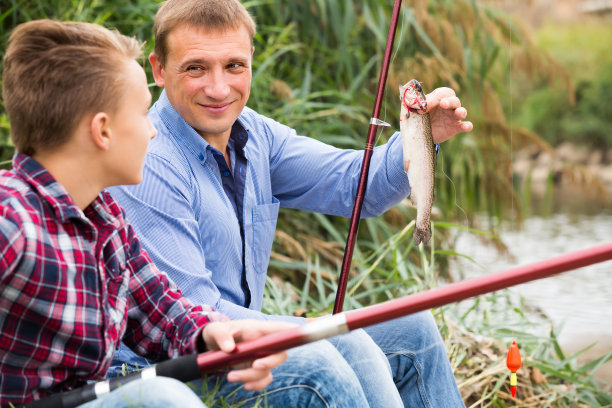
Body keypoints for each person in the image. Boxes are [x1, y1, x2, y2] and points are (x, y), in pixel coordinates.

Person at [110, 0, 473, 406]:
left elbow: (355, 185)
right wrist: (310, 329)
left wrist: (420, 138)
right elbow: (195, 311)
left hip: (248, 349)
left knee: (413, 329)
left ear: (251, 60)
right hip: (175, 369)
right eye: (196, 68)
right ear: (159, 69)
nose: (218, 88)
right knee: (346, 343)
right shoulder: (149, 160)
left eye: (234, 66)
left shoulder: (254, 133)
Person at [0, 19, 372, 408]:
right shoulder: (13, 220)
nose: (153, 131)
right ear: (103, 131)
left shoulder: (106, 220)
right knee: (160, 397)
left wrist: (218, 334)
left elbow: (163, 315)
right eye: (142, 114)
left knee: (310, 365)